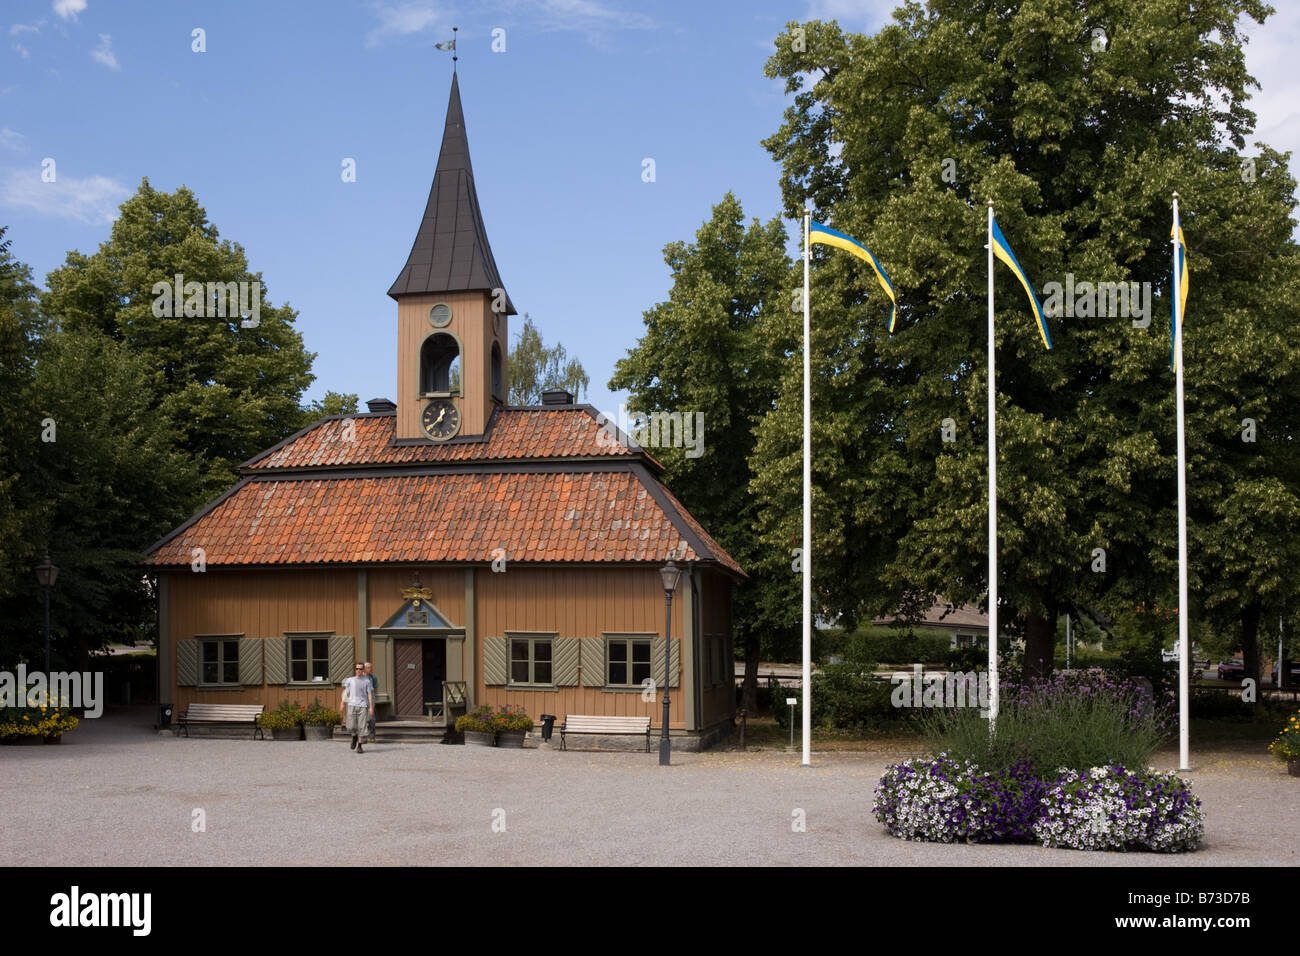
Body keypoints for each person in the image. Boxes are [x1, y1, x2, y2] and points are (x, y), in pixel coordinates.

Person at [339, 662, 373, 754]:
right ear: (355, 670)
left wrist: (370, 707)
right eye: (357, 669)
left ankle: (360, 746)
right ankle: (354, 736)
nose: (358, 671)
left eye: (360, 669)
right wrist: (342, 703)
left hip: (363, 705)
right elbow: (346, 692)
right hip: (351, 705)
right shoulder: (350, 680)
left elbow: (369, 694)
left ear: (363, 670)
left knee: (362, 726)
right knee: (351, 726)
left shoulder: (367, 681)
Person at [363, 661, 378, 742]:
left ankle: (372, 736)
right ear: (364, 669)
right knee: (363, 720)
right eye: (368, 667)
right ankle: (364, 737)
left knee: (371, 719)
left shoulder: (373, 677)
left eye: (371, 667)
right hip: (362, 701)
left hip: (371, 701)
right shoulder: (361, 677)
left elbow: (375, 689)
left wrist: (372, 700)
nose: (370, 669)